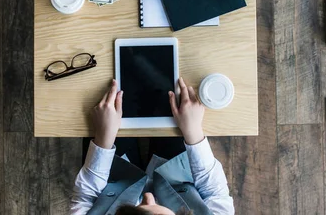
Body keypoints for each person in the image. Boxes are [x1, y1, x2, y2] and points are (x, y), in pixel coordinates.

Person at [71, 78, 234, 214]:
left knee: (110, 97)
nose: (148, 196)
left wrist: (103, 137)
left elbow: (85, 196)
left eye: (141, 207)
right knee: (169, 93)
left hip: (115, 179)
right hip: (175, 178)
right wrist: (193, 132)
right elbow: (215, 192)